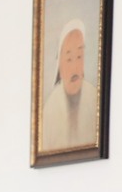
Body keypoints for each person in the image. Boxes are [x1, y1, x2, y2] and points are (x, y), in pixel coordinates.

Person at [38, 19, 99, 152]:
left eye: (79, 57)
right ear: (59, 66)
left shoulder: (95, 98)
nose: (75, 67)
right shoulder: (49, 110)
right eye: (69, 59)